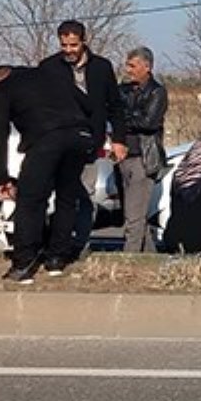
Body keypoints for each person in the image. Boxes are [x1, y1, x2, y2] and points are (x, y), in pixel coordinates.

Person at [0, 64, 100, 282]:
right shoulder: (51, 75)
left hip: (46, 141)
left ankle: (22, 265)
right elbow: (89, 104)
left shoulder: (2, 89)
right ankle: (57, 259)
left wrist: (2, 177)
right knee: (67, 198)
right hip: (79, 137)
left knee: (30, 201)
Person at [39, 20, 128, 255]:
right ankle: (57, 242)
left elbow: (115, 106)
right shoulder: (49, 68)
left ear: (84, 42)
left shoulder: (101, 67)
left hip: (91, 140)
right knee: (61, 194)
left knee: (86, 194)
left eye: (73, 45)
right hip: (59, 141)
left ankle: (80, 243)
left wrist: (118, 139)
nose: (68, 50)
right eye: (64, 45)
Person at [118, 46, 168, 253]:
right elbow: (113, 113)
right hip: (123, 157)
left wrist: (124, 119)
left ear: (146, 67)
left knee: (134, 216)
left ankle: (129, 258)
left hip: (144, 158)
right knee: (135, 214)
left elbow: (149, 122)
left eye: (133, 66)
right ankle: (148, 258)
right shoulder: (123, 90)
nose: (128, 70)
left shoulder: (157, 92)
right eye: (127, 65)